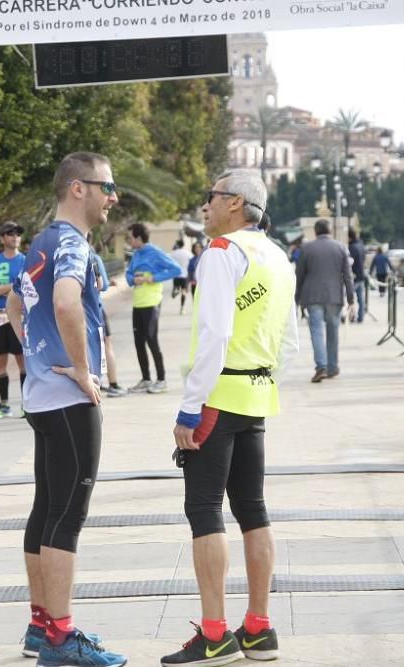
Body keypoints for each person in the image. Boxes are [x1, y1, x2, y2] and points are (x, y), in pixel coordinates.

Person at [162, 170, 297, 667]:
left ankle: (216, 634)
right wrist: (265, 382)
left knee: (204, 512)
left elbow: (214, 333)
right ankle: (259, 629)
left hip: (218, 397)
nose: (205, 206)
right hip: (257, 394)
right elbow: (289, 339)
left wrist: (189, 407)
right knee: (253, 509)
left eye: (211, 198)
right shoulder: (279, 257)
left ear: (236, 203)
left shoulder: (222, 252)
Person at [7, 152, 127, 667]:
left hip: (40, 397)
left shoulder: (39, 243)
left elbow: (15, 306)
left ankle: (41, 625)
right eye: (107, 186)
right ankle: (61, 637)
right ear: (78, 189)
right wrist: (80, 367)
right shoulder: (72, 244)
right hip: (68, 399)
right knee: (67, 515)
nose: (113, 197)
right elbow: (63, 302)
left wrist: (37, 356)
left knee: (45, 507)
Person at [125, 223, 183, 394]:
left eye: (130, 237)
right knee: (138, 343)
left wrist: (154, 278)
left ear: (138, 238)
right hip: (138, 302)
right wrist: (132, 279)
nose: (129, 241)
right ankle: (145, 379)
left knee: (152, 340)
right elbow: (129, 273)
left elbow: (176, 269)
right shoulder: (135, 255)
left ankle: (161, 379)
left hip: (151, 302)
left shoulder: (155, 252)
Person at [295, 219, 354, 383]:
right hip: (334, 296)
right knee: (333, 331)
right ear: (330, 231)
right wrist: (351, 298)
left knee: (316, 331)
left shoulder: (306, 249)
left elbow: (300, 276)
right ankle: (333, 367)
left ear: (315, 232)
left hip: (312, 296)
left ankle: (321, 365)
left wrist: (297, 298)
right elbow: (348, 276)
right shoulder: (341, 248)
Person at [0, 221, 28, 419]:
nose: (15, 237)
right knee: (0, 361)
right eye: (10, 233)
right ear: (2, 238)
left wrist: (0, 289)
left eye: (17, 233)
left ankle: (27, 403)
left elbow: (27, 287)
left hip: (19, 315)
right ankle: (4, 404)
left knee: (23, 362)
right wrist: (13, 286)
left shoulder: (26, 260)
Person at [92, 249, 127, 397]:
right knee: (106, 345)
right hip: (95, 308)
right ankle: (113, 384)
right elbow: (103, 285)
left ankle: (95, 383)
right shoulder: (92, 257)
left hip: (76, 310)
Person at [169, 240, 194, 314]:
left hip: (176, 275)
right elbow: (192, 261)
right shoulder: (187, 253)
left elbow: (169, 261)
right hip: (185, 275)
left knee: (176, 287)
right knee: (184, 292)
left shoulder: (173, 253)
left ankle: (176, 290)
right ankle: (182, 308)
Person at [347, 228, 367, 323]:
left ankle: (351, 316)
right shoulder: (361, 245)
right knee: (360, 298)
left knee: (350, 298)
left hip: (354, 276)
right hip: (361, 274)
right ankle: (361, 317)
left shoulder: (352, 247)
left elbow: (349, 262)